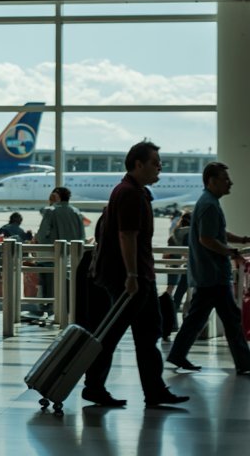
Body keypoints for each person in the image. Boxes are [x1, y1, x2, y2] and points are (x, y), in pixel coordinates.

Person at [83, 141, 188, 407]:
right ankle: (95, 386)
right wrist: (131, 275)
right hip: (131, 277)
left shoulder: (131, 190)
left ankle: (153, 390)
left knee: (146, 332)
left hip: (138, 274)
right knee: (117, 333)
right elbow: (126, 235)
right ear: (138, 164)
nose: (160, 167)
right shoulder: (130, 193)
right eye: (155, 162)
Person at [165, 162, 250, 375]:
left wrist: (240, 239)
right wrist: (232, 252)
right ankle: (244, 362)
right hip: (213, 274)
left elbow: (216, 232)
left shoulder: (207, 202)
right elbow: (207, 239)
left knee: (199, 317)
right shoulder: (210, 205)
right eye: (225, 179)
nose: (230, 182)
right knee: (230, 318)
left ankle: (177, 353)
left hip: (207, 274)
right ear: (212, 181)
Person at [35, 186, 86, 310]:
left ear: (56, 196)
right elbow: (82, 235)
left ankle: (49, 307)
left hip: (51, 255)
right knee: (67, 280)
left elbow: (42, 235)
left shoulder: (51, 211)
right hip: (72, 254)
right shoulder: (76, 212)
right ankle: (66, 308)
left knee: (48, 283)